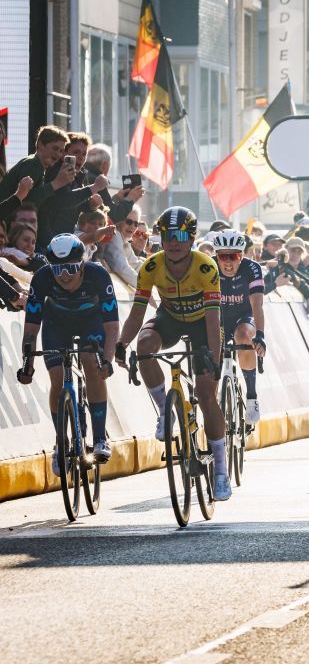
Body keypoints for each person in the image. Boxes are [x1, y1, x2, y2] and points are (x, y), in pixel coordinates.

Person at [114, 207, 231, 501]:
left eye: (180, 236)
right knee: (145, 345)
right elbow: (138, 313)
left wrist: (214, 362)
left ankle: (221, 468)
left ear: (191, 238)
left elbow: (214, 321)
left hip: (203, 324)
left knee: (206, 395)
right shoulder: (151, 266)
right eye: (167, 236)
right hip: (171, 318)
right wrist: (121, 343)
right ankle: (165, 410)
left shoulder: (206, 267)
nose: (173, 242)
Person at [19, 235, 119, 469]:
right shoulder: (42, 277)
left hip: (91, 322)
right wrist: (27, 365)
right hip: (56, 324)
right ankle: (60, 442)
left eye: (72, 268)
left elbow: (112, 324)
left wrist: (108, 359)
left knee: (90, 363)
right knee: (56, 379)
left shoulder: (98, 274)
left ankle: (100, 438)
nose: (65, 275)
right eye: (59, 269)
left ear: (82, 264)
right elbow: (31, 328)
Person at [213, 230, 267, 424]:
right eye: (223, 256)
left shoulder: (251, 268)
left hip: (244, 315)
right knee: (211, 352)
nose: (228, 262)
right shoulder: (209, 267)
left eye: (234, 256)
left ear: (242, 255)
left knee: (244, 336)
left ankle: (251, 396)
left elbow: (257, 305)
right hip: (218, 317)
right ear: (216, 256)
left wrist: (260, 335)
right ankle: (213, 407)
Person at [0, 125, 76, 210]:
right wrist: (57, 183)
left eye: (61, 151)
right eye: (55, 148)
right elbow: (25, 202)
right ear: (41, 144)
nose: (58, 154)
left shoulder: (36, 164)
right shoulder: (32, 164)